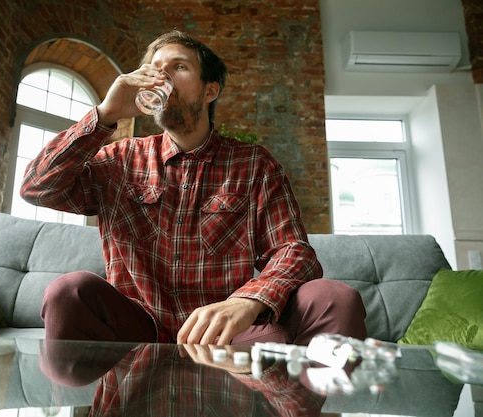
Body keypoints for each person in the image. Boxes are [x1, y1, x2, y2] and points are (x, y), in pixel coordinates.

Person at [20, 30, 367, 346]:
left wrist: (247, 302)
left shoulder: (254, 163)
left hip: (229, 333)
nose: (162, 76)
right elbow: (37, 187)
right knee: (68, 291)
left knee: (335, 298)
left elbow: (294, 251)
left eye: (179, 66)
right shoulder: (120, 159)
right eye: (154, 68)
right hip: (137, 329)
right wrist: (107, 112)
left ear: (209, 90)